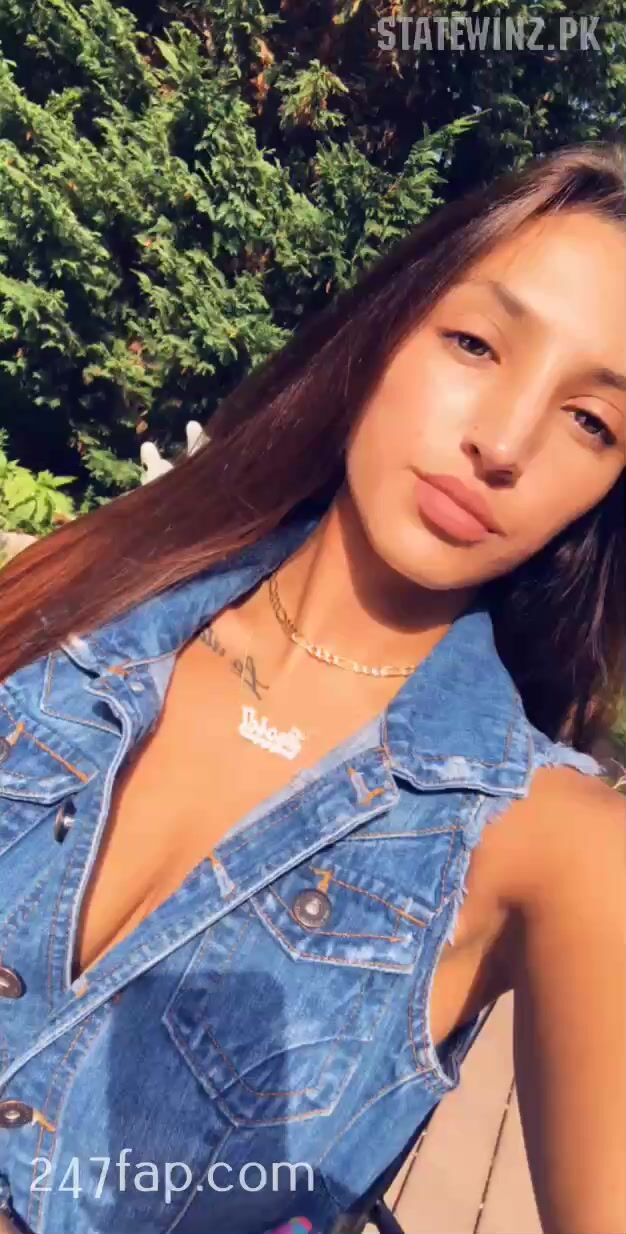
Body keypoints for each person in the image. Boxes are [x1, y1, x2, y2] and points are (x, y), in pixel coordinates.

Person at [0, 141, 623, 1234]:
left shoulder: (554, 847)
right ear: (388, 328)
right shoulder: (83, 589)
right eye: (475, 343)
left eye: (591, 421)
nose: (502, 442)